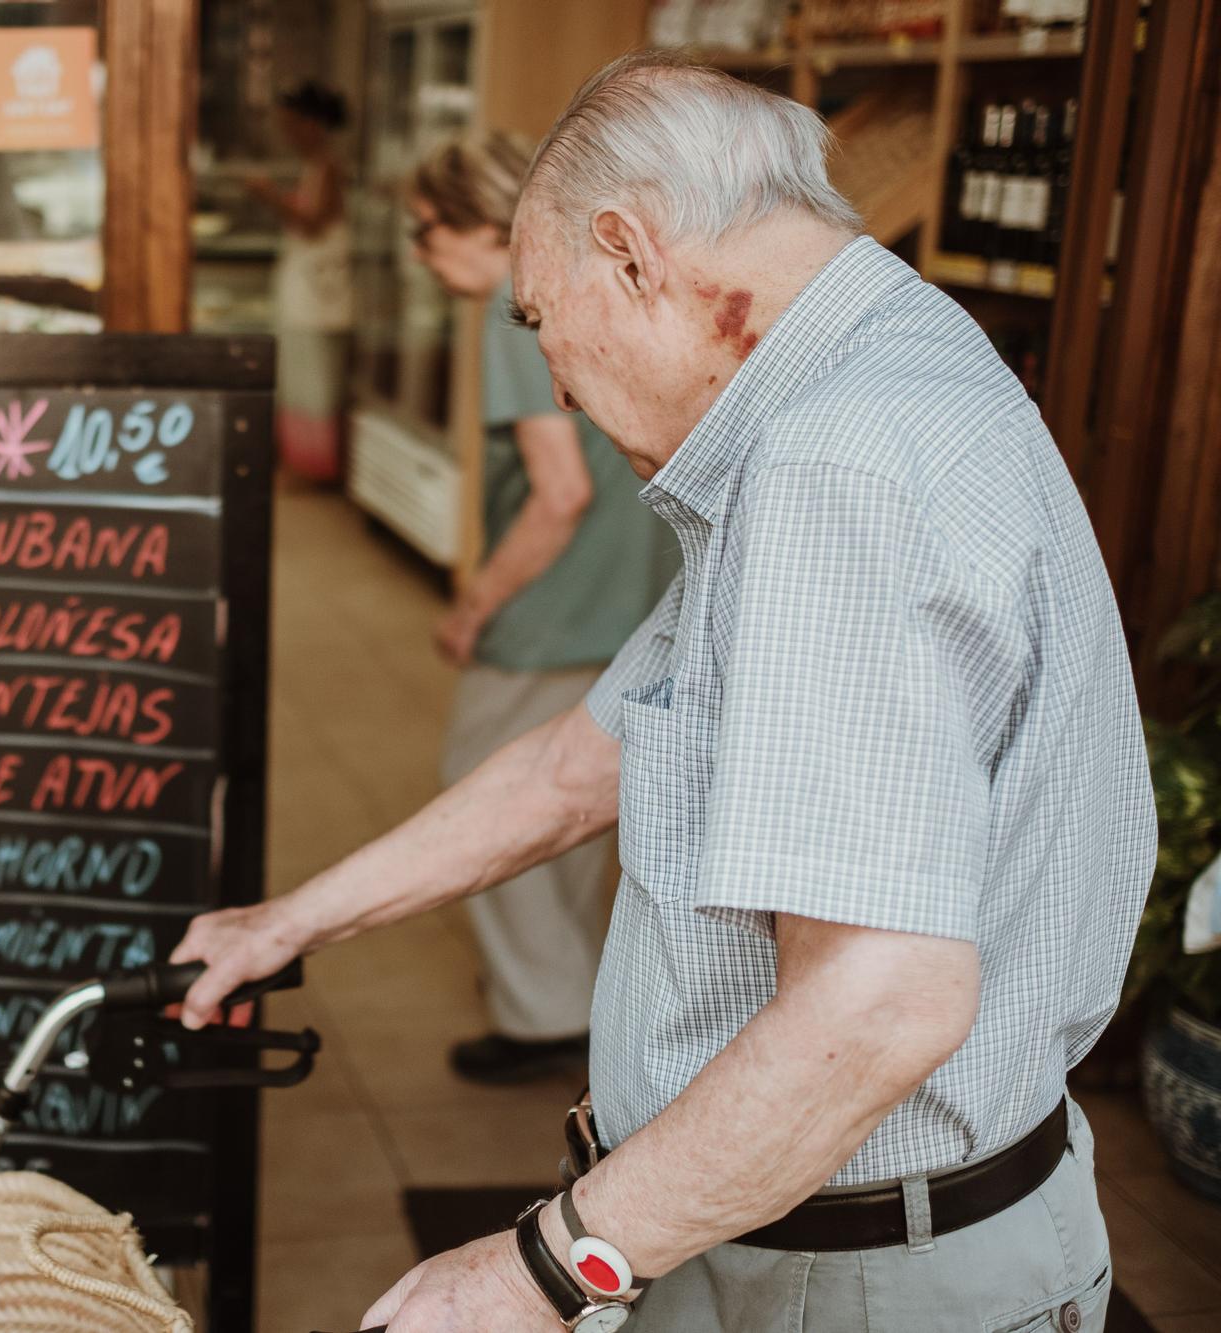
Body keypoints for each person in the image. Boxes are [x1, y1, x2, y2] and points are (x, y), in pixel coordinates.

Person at [174, 51, 1152, 1333]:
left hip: (853, 1279)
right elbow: (587, 758)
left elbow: (877, 1002)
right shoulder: (875, 362)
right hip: (832, 1235)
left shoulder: (832, 467)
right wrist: (285, 920)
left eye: (542, 320)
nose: (560, 383)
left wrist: (541, 1267)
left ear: (629, 253)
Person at [407, 132, 679, 1084]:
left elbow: (557, 491)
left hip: (554, 608)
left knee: (479, 790)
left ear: (483, 221)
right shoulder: (596, 285)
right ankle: (566, 988)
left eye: (424, 229)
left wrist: (476, 602)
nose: (419, 250)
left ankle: (543, 1012)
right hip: (632, 596)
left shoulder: (504, 308)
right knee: (576, 801)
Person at [246, 81, 353, 482]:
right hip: (305, 294)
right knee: (300, 381)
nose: (286, 133)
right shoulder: (316, 166)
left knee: (313, 385)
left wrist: (268, 195)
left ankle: (315, 468)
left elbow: (314, 224)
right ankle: (302, 463)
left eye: (291, 124)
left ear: (313, 125)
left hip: (317, 299)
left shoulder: (328, 166)